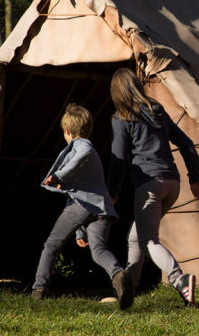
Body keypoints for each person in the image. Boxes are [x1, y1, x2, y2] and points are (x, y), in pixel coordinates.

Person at [108, 67, 199, 307]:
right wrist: (195, 177)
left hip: (149, 185)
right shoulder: (157, 111)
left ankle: (180, 281)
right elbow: (186, 143)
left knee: (149, 240)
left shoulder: (122, 117)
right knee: (135, 236)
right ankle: (130, 290)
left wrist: (112, 191)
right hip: (173, 183)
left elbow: (117, 158)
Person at [31, 104, 131, 307]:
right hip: (100, 209)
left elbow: (80, 167)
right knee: (98, 249)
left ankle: (38, 289)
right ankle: (119, 275)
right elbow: (77, 191)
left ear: (67, 131)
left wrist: (58, 175)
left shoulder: (82, 146)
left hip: (84, 206)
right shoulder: (86, 149)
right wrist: (79, 233)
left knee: (51, 245)